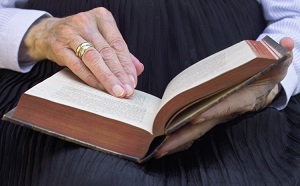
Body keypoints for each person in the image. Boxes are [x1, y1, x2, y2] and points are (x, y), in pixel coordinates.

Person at [0, 0, 300, 185]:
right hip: (64, 86)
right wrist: (38, 33)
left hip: (243, 109)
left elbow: (294, 15)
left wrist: (270, 81)